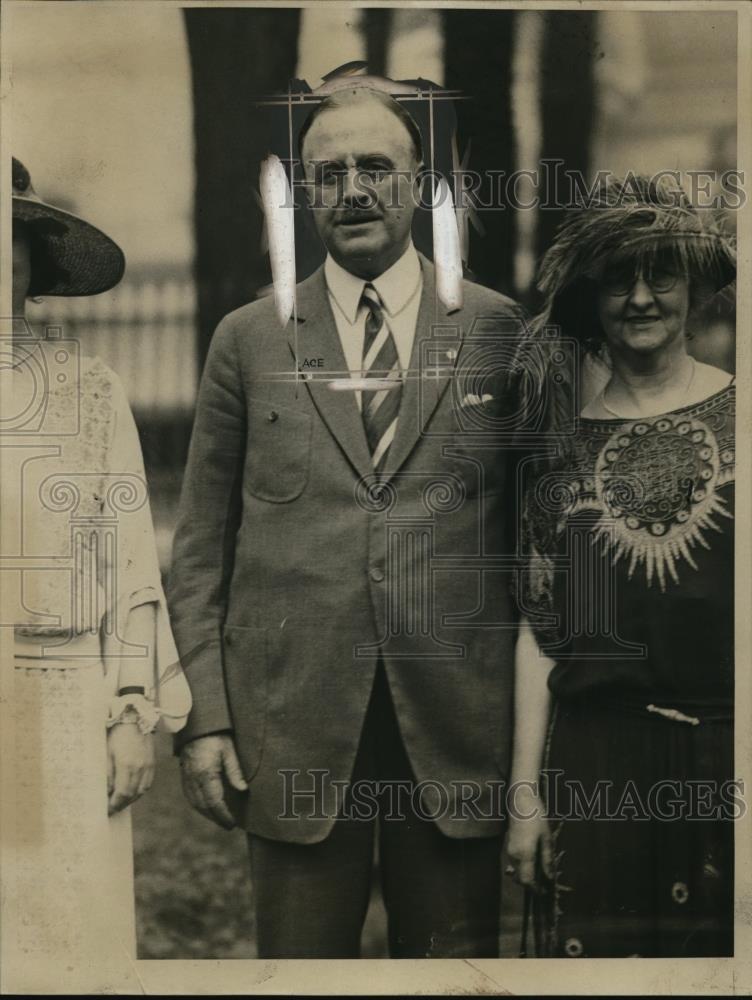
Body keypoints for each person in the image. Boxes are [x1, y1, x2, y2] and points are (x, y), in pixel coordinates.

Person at [168, 83, 527, 958]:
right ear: (303, 194)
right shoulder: (249, 339)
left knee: (451, 972)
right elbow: (199, 554)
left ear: (418, 183)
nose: (354, 191)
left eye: (377, 167)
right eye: (329, 174)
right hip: (291, 726)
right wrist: (206, 719)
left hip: (453, 729)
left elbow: (535, 546)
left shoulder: (495, 330)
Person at [507, 175, 736, 957]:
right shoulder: (557, 448)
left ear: (696, 290)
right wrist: (526, 801)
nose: (641, 298)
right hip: (594, 768)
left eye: (661, 275)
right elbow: (541, 635)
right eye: (618, 279)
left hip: (726, 756)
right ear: (591, 300)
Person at [4, 157, 191, 990]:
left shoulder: (88, 390)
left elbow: (128, 559)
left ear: (30, 264)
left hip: (61, 693)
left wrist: (128, 710)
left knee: (67, 932)